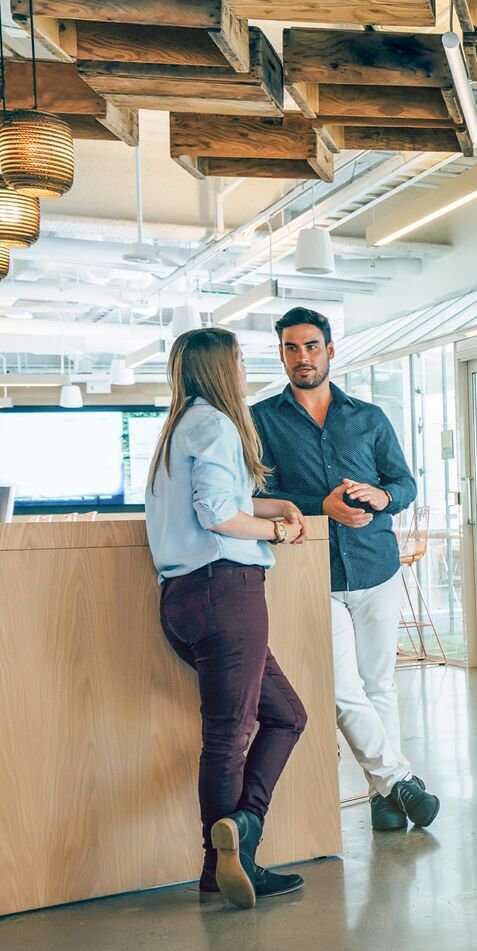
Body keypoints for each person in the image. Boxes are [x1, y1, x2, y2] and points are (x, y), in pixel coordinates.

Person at [252, 307, 441, 833]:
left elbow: (404, 483)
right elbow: (258, 493)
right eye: (292, 348)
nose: (302, 357)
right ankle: (398, 780)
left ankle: (386, 796)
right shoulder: (261, 420)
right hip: (314, 574)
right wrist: (321, 506)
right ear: (282, 355)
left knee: (380, 683)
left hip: (376, 567)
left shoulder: (369, 418)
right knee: (341, 689)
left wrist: (383, 496)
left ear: (330, 352)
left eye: (311, 346)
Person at [145, 327, 311, 908]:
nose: (245, 369)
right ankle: (223, 862)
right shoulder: (216, 424)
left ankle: (240, 831)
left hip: (182, 599)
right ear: (222, 368)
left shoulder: (178, 429)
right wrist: (277, 531)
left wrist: (276, 504)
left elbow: (219, 501)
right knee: (227, 736)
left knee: (286, 715)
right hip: (225, 592)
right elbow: (218, 514)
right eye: (239, 360)